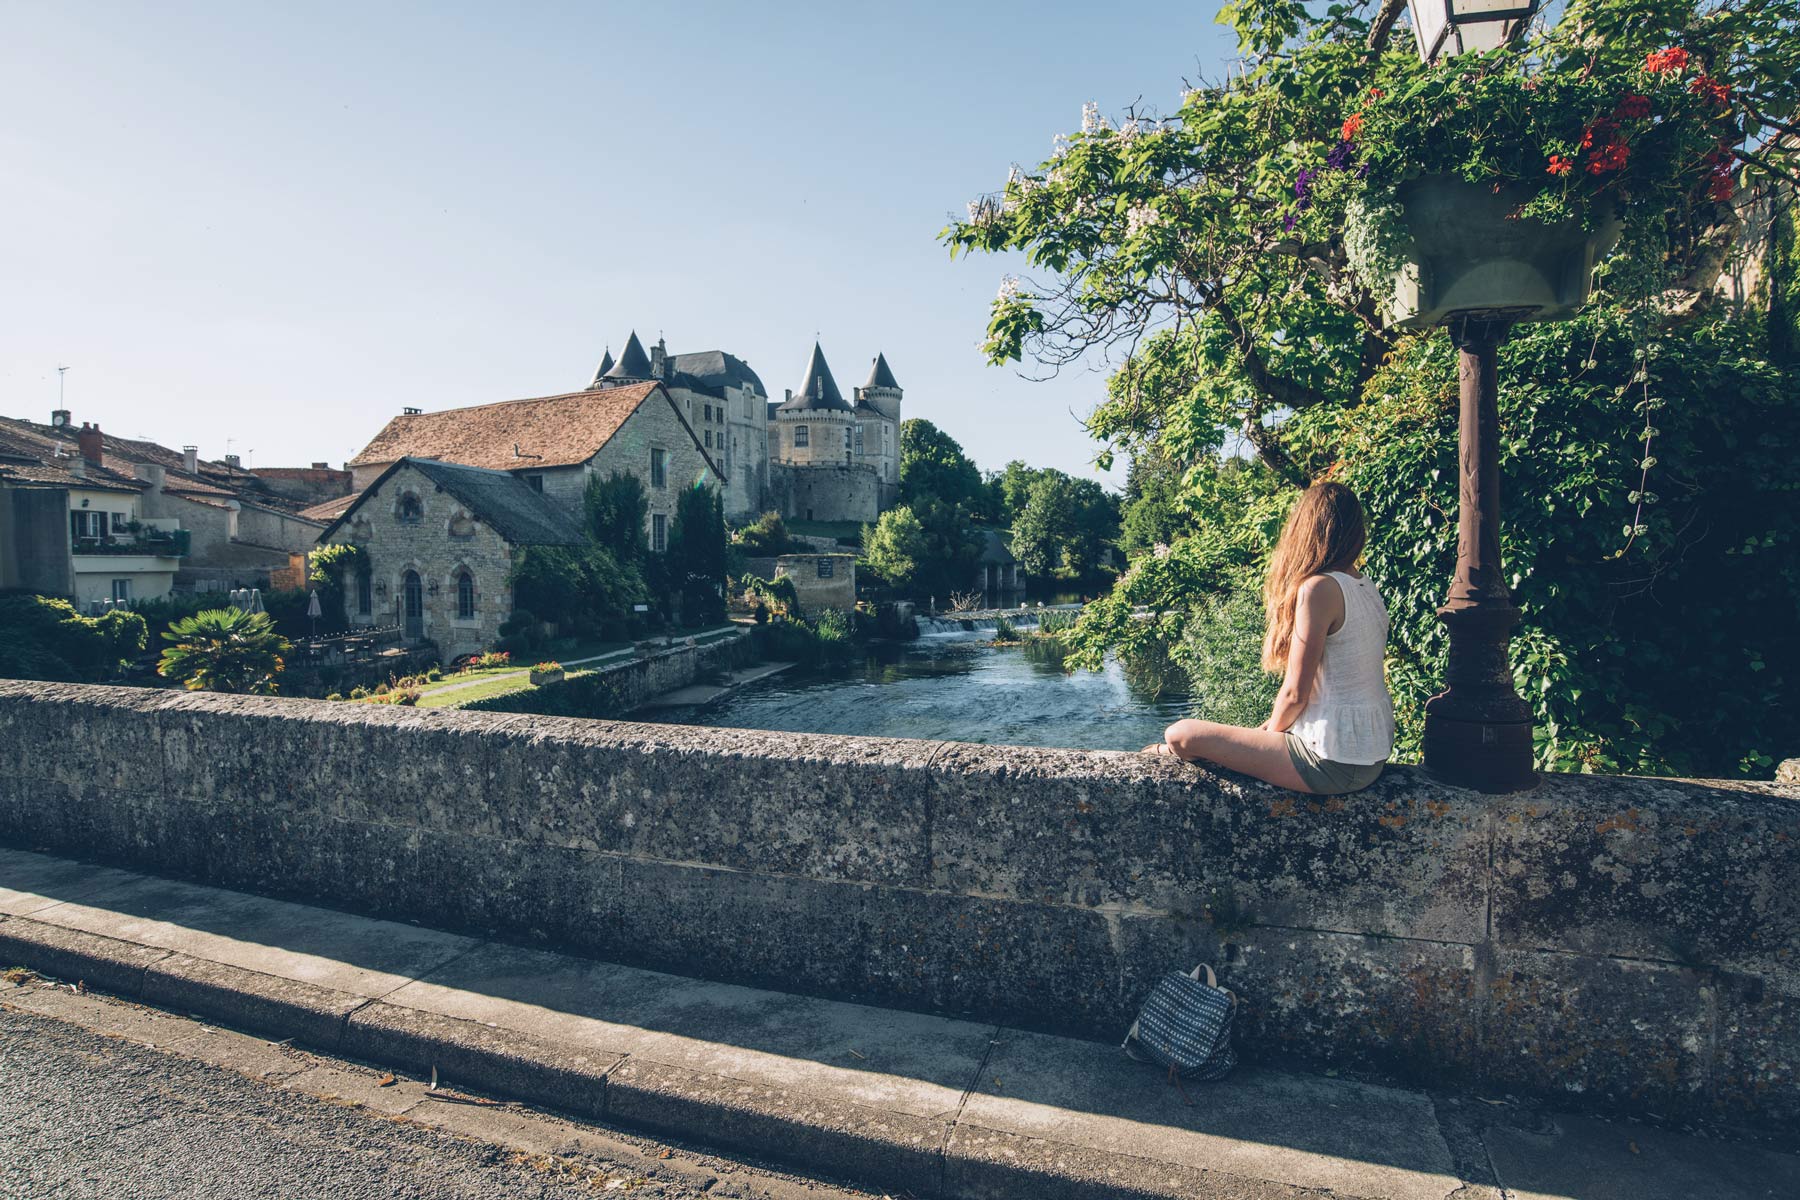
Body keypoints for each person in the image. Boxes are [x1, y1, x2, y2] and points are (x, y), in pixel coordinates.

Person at [1143, 482, 1394, 793]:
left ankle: (1163, 756)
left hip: (1331, 762)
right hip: (1369, 757)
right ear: (1356, 531)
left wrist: (1269, 736)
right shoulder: (1364, 585)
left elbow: (1295, 694)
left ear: (1305, 529)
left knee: (1180, 734)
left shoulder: (1319, 589)